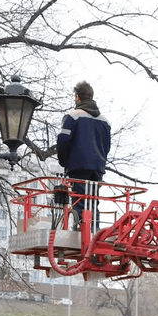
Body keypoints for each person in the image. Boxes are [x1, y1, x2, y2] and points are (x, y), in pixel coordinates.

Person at [55, 81, 111, 230]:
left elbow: (62, 141)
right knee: (93, 201)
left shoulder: (73, 117)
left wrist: (64, 161)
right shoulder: (105, 121)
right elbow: (107, 146)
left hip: (78, 166)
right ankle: (94, 232)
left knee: (79, 200)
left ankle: (81, 231)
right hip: (97, 168)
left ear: (77, 97)